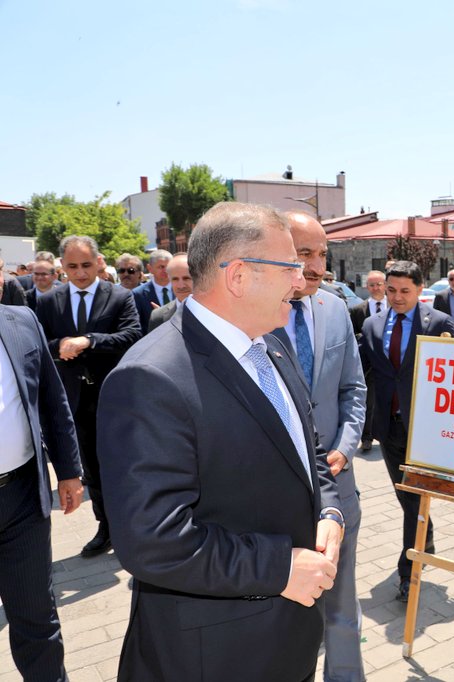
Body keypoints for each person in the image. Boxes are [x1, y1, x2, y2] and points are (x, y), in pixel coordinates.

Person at [96, 202, 344, 682]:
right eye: (291, 266)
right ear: (239, 276)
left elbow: (307, 448)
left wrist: (328, 510)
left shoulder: (272, 342)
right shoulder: (151, 378)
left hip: (288, 635)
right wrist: (279, 567)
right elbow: (153, 541)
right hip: (216, 652)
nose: (302, 281)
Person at [270, 212, 367, 682]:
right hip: (276, 500)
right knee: (283, 617)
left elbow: (353, 389)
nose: (315, 266)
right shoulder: (253, 318)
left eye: (321, 254)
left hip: (339, 487)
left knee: (343, 610)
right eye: (303, 253)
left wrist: (346, 448)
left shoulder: (334, 309)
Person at [34, 235, 142, 557]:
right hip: (75, 400)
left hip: (115, 399)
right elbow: (41, 342)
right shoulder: (49, 301)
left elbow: (132, 335)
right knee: (92, 470)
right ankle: (105, 527)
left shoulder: (120, 296)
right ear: (61, 267)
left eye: (85, 265)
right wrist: (62, 345)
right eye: (71, 266)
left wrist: (90, 341)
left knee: (125, 465)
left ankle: (135, 526)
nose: (80, 273)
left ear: (98, 262)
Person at [361, 261, 454, 602]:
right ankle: (424, 535)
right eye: (391, 290)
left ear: (420, 289)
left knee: (413, 499)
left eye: (405, 291)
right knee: (405, 496)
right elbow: (360, 373)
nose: (397, 298)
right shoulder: (371, 325)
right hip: (388, 427)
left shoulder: (439, 323)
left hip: (425, 429)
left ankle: (408, 571)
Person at [0, 303, 84, 682]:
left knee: (37, 616)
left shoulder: (22, 320)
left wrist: (68, 471)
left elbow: (52, 399)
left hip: (22, 498)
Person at [350, 269, 388, 452]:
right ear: (367, 287)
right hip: (369, 365)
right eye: (372, 285)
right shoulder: (358, 310)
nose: (375, 288)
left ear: (385, 285)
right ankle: (367, 438)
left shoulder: (394, 306)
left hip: (392, 363)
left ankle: (388, 435)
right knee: (369, 402)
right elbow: (352, 335)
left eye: (379, 284)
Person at [147, 253, 193, 332]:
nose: (181, 286)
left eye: (186, 278)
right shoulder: (157, 317)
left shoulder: (215, 311)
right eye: (175, 279)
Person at [132, 249, 173, 333]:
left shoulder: (184, 290)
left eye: (168, 266)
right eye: (161, 267)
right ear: (150, 268)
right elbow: (138, 327)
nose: (165, 270)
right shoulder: (138, 294)